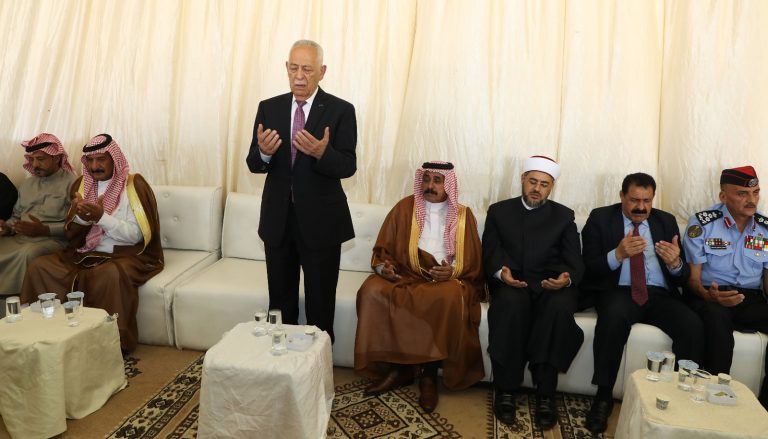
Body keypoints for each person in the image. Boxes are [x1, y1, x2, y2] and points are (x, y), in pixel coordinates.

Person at [245, 40, 356, 342]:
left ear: (322, 71)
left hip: (321, 223)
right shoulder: (269, 108)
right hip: (278, 221)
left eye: (307, 69)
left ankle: (319, 365)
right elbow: (254, 163)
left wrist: (323, 153)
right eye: (293, 68)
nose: (299, 76)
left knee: (321, 306)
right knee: (280, 307)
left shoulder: (340, 110)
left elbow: (348, 166)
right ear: (286, 67)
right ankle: (282, 364)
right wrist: (264, 153)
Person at [354, 161, 484, 413]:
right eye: (426, 179)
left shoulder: (463, 215)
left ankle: (429, 373)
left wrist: (452, 271)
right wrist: (384, 269)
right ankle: (398, 368)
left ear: (448, 184)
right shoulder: (404, 208)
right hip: (406, 273)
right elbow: (383, 250)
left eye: (437, 180)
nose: (430, 185)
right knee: (372, 290)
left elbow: (472, 260)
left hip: (442, 280)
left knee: (449, 296)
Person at [581, 172, 704, 433]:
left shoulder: (665, 221)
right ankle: (603, 396)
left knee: (692, 325)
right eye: (634, 200)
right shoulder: (600, 218)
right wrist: (617, 254)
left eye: (647, 201)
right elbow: (588, 269)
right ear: (622, 196)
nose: (641, 207)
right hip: (620, 291)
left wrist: (675, 263)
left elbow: (682, 276)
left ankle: (681, 398)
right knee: (612, 318)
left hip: (659, 295)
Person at [21, 134, 163, 351]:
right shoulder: (81, 185)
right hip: (84, 253)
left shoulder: (134, 186)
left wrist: (101, 218)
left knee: (109, 274)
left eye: (101, 159)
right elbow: (71, 233)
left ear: (114, 159)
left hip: (124, 254)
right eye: (90, 161)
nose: (95, 166)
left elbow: (137, 236)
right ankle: (45, 336)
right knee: (40, 267)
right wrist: (82, 218)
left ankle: (109, 344)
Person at [482, 156, 585, 429]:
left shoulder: (564, 216)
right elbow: (490, 252)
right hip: (512, 282)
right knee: (509, 304)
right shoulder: (499, 211)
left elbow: (574, 261)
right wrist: (500, 273)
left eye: (544, 184)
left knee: (558, 308)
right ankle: (506, 389)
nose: (537, 189)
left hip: (550, 285)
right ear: (522, 180)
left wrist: (565, 279)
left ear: (551, 187)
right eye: (533, 182)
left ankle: (545, 394)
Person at [682, 165, 768, 408]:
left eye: (755, 193)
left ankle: (765, 408)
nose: (751, 200)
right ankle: (715, 398)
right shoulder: (702, 224)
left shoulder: (765, 228)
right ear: (723, 196)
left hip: (750, 298)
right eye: (742, 193)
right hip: (711, 295)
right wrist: (709, 296)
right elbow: (693, 280)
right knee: (717, 322)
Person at [0, 133, 76, 296]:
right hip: (21, 239)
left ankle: (22, 302)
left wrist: (44, 230)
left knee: (29, 254)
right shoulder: (27, 184)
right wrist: (7, 227)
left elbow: (76, 226)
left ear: (57, 158)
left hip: (53, 240)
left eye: (40, 159)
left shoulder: (73, 184)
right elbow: (16, 217)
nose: (35, 165)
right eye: (32, 159)